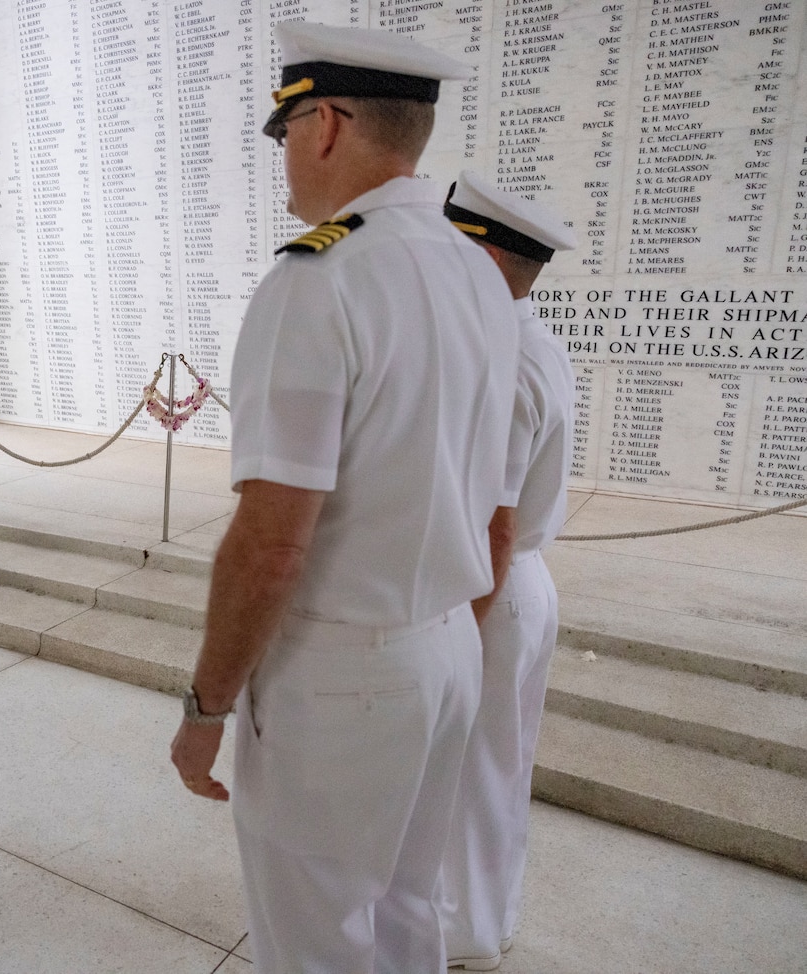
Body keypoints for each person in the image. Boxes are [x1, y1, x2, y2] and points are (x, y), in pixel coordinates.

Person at [169, 22, 518, 973]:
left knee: (316, 941)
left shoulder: (317, 279)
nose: (284, 163)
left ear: (325, 123)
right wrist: (448, 643)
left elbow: (274, 543)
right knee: (408, 914)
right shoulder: (480, 277)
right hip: (447, 648)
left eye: (285, 135)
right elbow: (494, 504)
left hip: (343, 671)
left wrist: (206, 709)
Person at [437, 171, 578, 971]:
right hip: (527, 582)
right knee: (501, 763)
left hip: (495, 586)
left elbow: (494, 519)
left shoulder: (503, 362)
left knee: (474, 768)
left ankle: (468, 934)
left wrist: (463, 627)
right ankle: (490, 919)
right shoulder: (539, 341)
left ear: (485, 257)